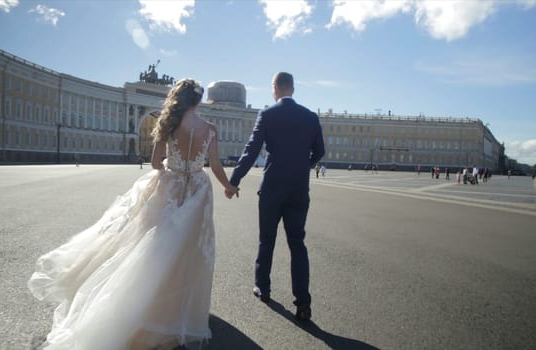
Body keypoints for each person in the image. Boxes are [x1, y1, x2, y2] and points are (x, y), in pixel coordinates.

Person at [28, 78, 238, 350]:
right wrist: (229, 186)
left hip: (170, 186)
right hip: (198, 189)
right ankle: (179, 310)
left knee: (152, 246)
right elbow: (217, 164)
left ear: (178, 98)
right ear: (198, 101)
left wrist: (169, 164)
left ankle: (143, 302)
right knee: (190, 251)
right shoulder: (209, 129)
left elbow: (154, 162)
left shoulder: (168, 124)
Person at [226, 72, 325, 322]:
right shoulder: (310, 117)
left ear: (275, 88)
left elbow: (251, 151)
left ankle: (263, 288)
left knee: (266, 240)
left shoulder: (267, 114)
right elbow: (320, 151)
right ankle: (303, 303)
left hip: (272, 188)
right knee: (297, 244)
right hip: (299, 190)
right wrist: (303, 165)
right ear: (293, 87)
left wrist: (234, 181)